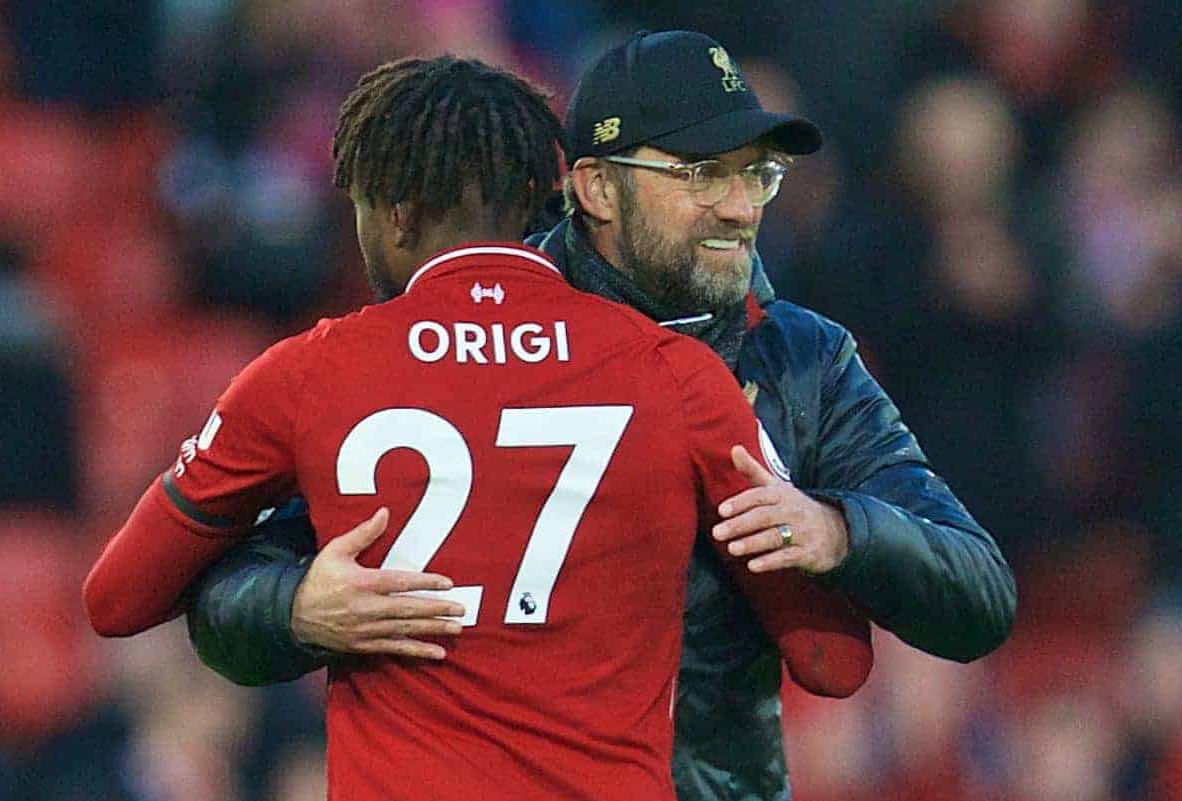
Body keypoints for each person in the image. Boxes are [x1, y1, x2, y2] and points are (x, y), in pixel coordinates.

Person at [184, 31, 1018, 801]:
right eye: (700, 174)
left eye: (755, 174)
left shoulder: (802, 360)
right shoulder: (462, 336)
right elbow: (222, 596)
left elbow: (979, 595)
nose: (740, 207)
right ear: (595, 187)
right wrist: (296, 607)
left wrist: (841, 531)